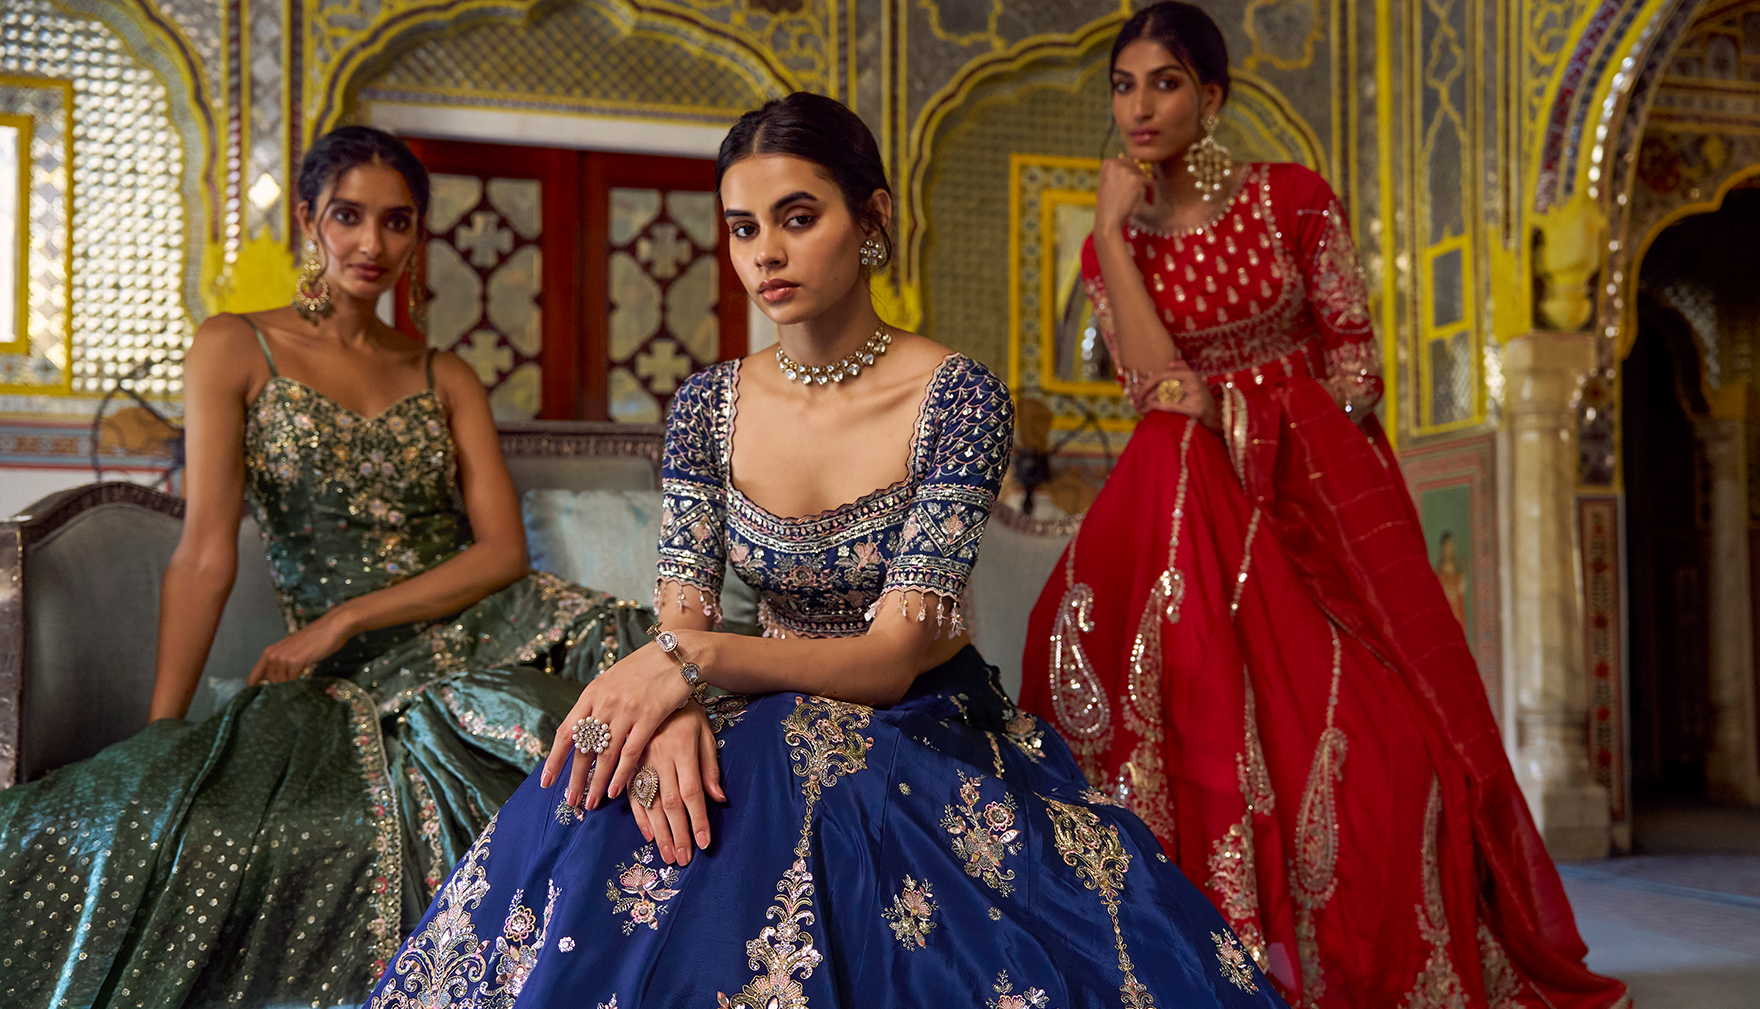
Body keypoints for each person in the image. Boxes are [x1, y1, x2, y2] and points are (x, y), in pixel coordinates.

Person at [366, 92, 1284, 1009]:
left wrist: (684, 664)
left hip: (922, 723)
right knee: (622, 778)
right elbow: (683, 610)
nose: (764, 251)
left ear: (873, 217)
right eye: (741, 227)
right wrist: (677, 705)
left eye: (798, 218)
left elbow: (886, 663)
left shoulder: (956, 399)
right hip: (754, 700)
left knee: (785, 752)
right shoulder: (704, 407)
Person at [1017, 5, 1630, 1008]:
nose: (1137, 106)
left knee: (1403, 744)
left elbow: (1352, 364)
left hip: (1309, 498)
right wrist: (1109, 236)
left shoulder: (1289, 198)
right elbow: (1153, 388)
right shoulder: (1108, 253)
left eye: (1162, 82)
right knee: (1170, 442)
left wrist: (1256, 420)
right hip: (1190, 512)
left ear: (1209, 98)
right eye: (1121, 86)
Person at [0, 126, 650, 1009]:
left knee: (653, 721)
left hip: (502, 628)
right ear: (309, 219)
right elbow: (204, 554)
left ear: (419, 236)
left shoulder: (444, 372)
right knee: (114, 817)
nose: (372, 244)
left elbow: (500, 553)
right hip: (356, 684)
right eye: (349, 216)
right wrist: (165, 730)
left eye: (397, 222)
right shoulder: (234, 347)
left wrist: (342, 618)